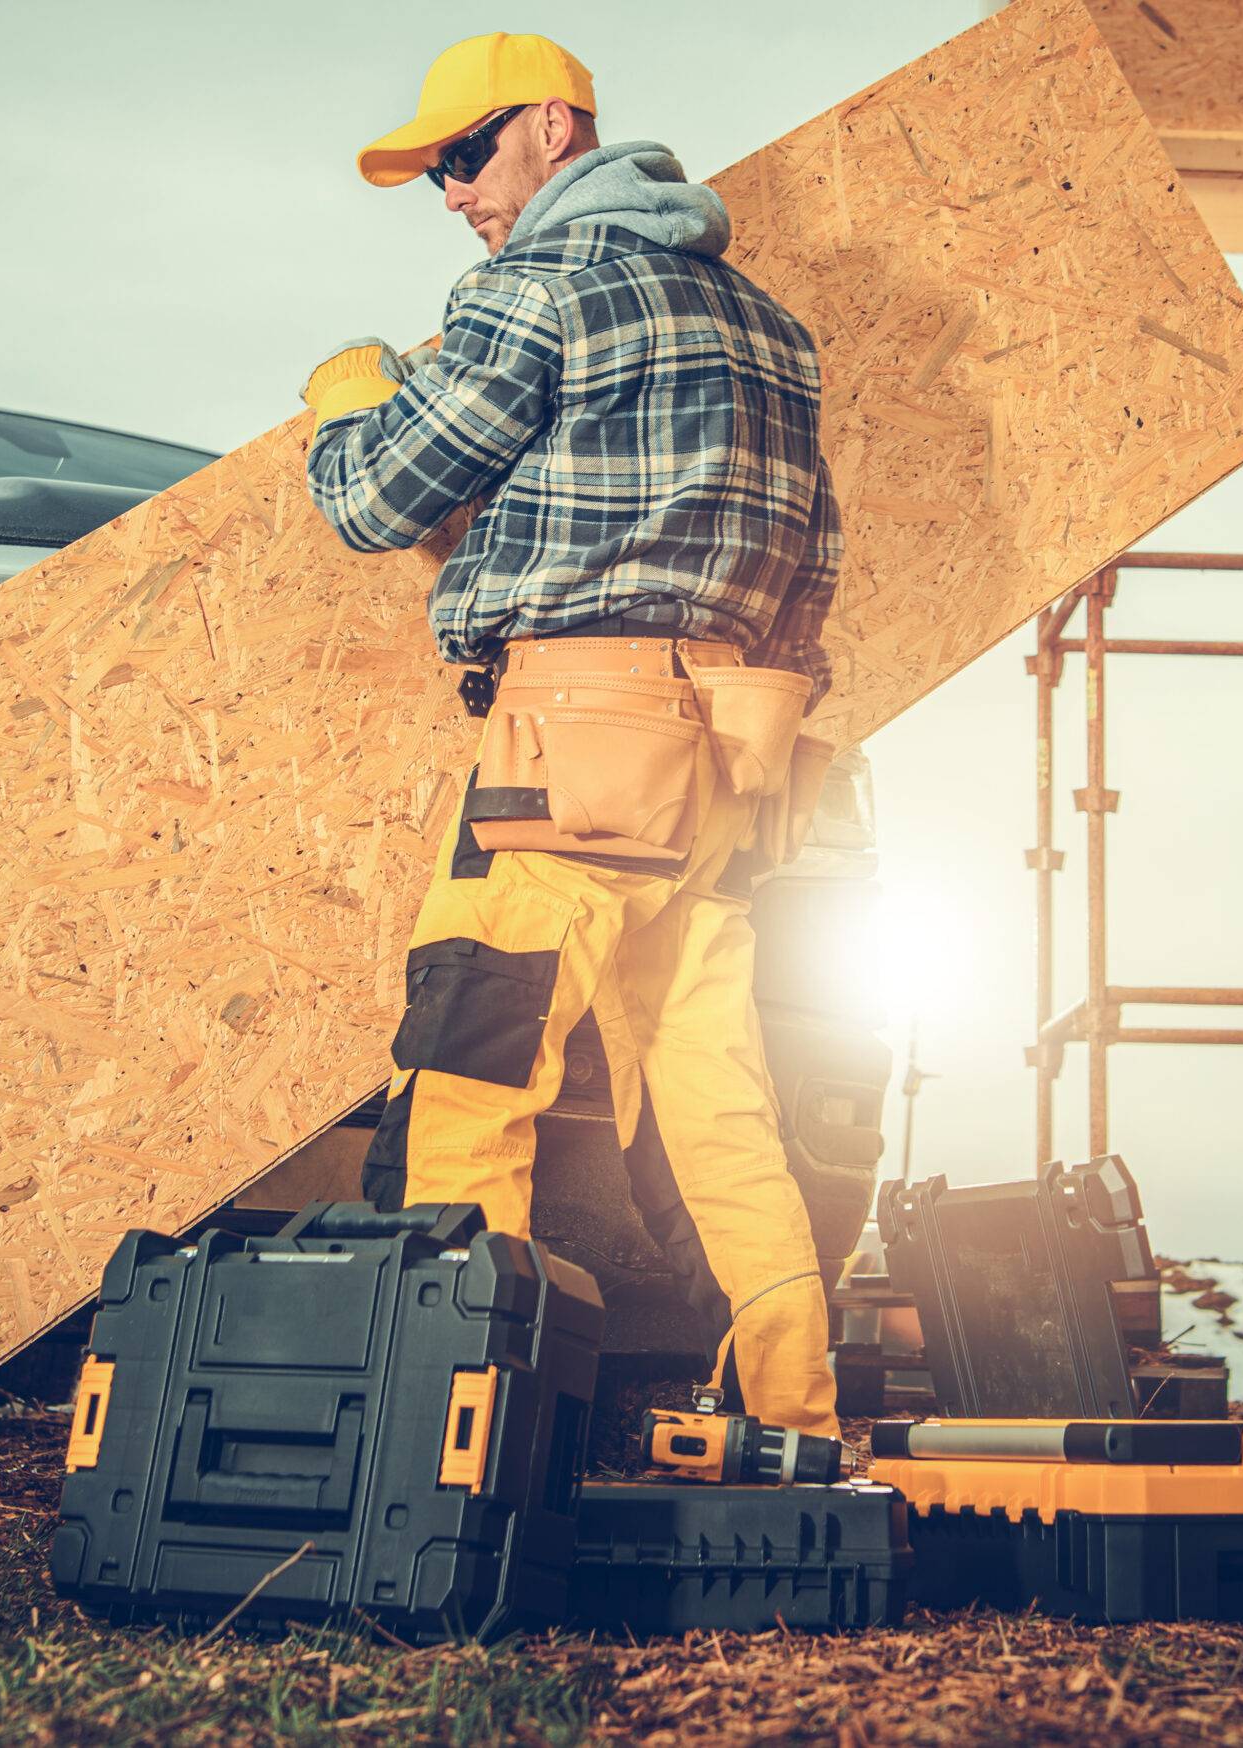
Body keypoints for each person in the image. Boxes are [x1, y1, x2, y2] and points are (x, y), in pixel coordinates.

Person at [301, 32, 843, 1439]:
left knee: (471, 1067)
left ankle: (439, 1433)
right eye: (433, 171)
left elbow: (376, 500)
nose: (452, 191)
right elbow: (813, 572)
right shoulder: (771, 327)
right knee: (716, 1104)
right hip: (725, 766)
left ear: (555, 127)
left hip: (567, 761)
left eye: (467, 154)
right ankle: (793, 1425)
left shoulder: (536, 290)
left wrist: (350, 401)